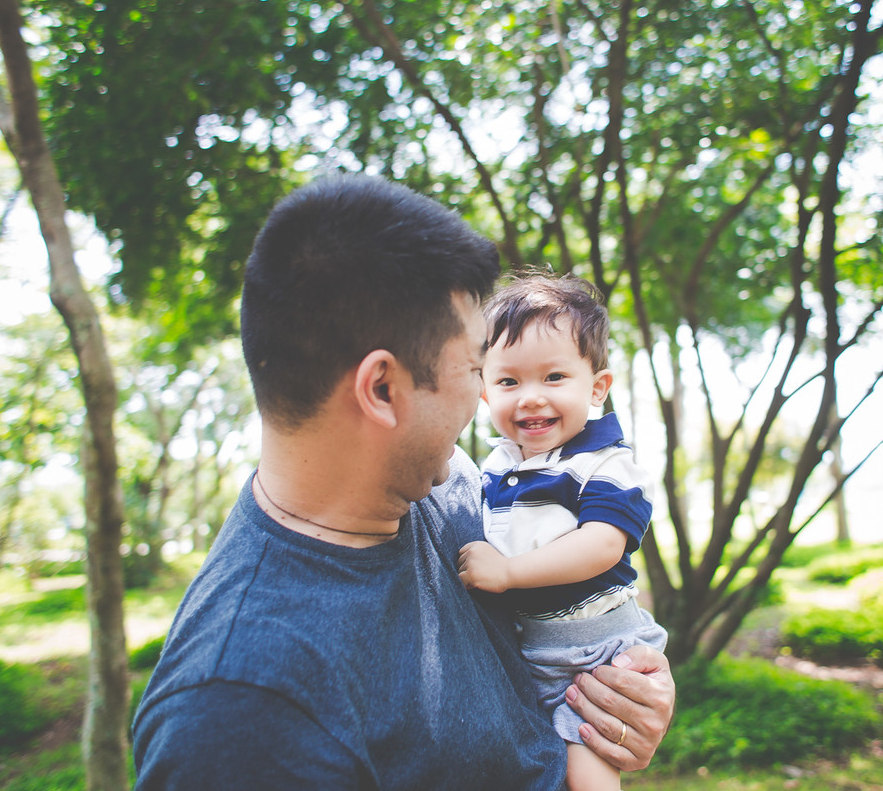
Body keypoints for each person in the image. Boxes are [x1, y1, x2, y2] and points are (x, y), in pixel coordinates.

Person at [131, 174, 674, 791]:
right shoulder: (241, 713)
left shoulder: (454, 486)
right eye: (475, 369)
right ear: (383, 389)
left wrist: (626, 697)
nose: (486, 399)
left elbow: (563, 629)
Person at [456, 273, 669, 791]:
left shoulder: (605, 463)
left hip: (593, 653)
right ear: (484, 391)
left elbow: (602, 544)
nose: (530, 398)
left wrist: (509, 572)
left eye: (553, 377)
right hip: (530, 653)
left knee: (585, 763)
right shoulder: (494, 467)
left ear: (596, 387)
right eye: (508, 382)